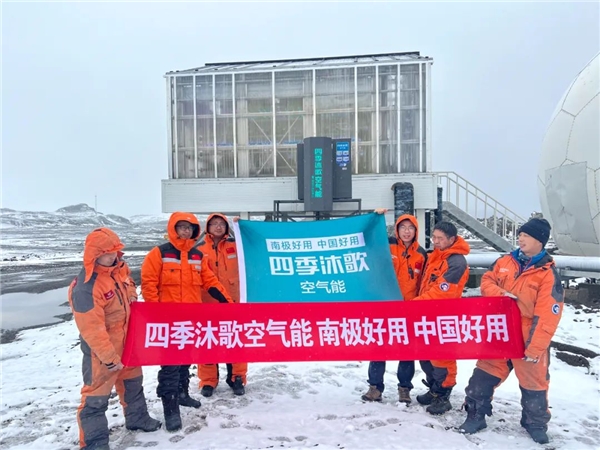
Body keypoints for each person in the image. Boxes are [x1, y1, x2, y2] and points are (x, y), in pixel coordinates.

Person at [459, 218, 563, 445]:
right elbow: (487, 281)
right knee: (483, 376)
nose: (520, 239)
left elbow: (548, 315)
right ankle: (475, 415)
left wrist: (535, 348)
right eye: (520, 235)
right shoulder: (504, 261)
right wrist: (500, 294)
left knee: (534, 385)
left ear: (539, 241)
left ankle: (534, 423)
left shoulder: (547, 273)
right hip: (499, 332)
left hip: (528, 336)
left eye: (526, 236)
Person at [69, 228, 161, 450]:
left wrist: (133, 296)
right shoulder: (85, 287)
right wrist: (109, 357)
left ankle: (138, 419)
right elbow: (91, 329)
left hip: (128, 346)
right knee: (96, 399)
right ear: (94, 254)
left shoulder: (119, 272)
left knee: (133, 386)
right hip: (102, 354)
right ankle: (95, 443)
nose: (112, 256)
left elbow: (130, 293)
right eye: (107, 253)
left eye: (115, 251)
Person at [141, 212, 233, 432]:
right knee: (170, 366)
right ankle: (170, 408)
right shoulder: (159, 253)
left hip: (190, 320)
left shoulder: (197, 256)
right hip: (168, 321)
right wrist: (155, 313)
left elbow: (209, 281)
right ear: (173, 229)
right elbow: (148, 283)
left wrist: (227, 302)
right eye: (182, 227)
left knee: (185, 359)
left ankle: (182, 394)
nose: (186, 231)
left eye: (190, 228)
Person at [361, 213, 427, 404]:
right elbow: (367, 240)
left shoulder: (421, 254)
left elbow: (423, 282)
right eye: (403, 227)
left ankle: (404, 389)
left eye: (411, 228)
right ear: (397, 230)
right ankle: (375, 388)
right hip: (384, 306)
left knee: (406, 350)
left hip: (408, 308)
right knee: (379, 347)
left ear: (416, 231)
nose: (407, 231)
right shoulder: (387, 245)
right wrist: (375, 217)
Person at [413, 221, 470, 415]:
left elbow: (442, 292)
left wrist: (415, 303)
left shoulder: (456, 263)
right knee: (425, 355)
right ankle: (434, 389)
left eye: (440, 238)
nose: (435, 241)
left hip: (443, 317)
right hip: (426, 314)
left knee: (442, 358)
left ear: (451, 239)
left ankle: (443, 395)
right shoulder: (436, 256)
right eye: (434, 237)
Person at [196, 213, 247, 397]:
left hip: (233, 302)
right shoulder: (199, 249)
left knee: (236, 340)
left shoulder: (238, 245)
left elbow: (255, 246)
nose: (218, 227)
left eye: (221, 224)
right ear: (207, 228)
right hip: (207, 303)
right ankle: (208, 380)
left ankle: (237, 377)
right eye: (214, 224)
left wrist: (242, 227)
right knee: (208, 341)